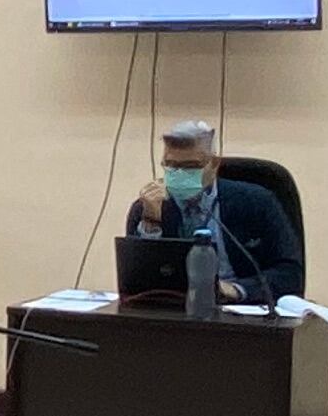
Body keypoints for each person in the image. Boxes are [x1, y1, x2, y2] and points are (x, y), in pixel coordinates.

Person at [123, 120, 303, 303]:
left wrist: (236, 289)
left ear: (214, 164)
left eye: (190, 166)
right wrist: (151, 222)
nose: (180, 174)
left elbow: (290, 274)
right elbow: (135, 280)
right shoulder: (148, 206)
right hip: (173, 308)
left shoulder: (258, 202)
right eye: (171, 165)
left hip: (240, 308)